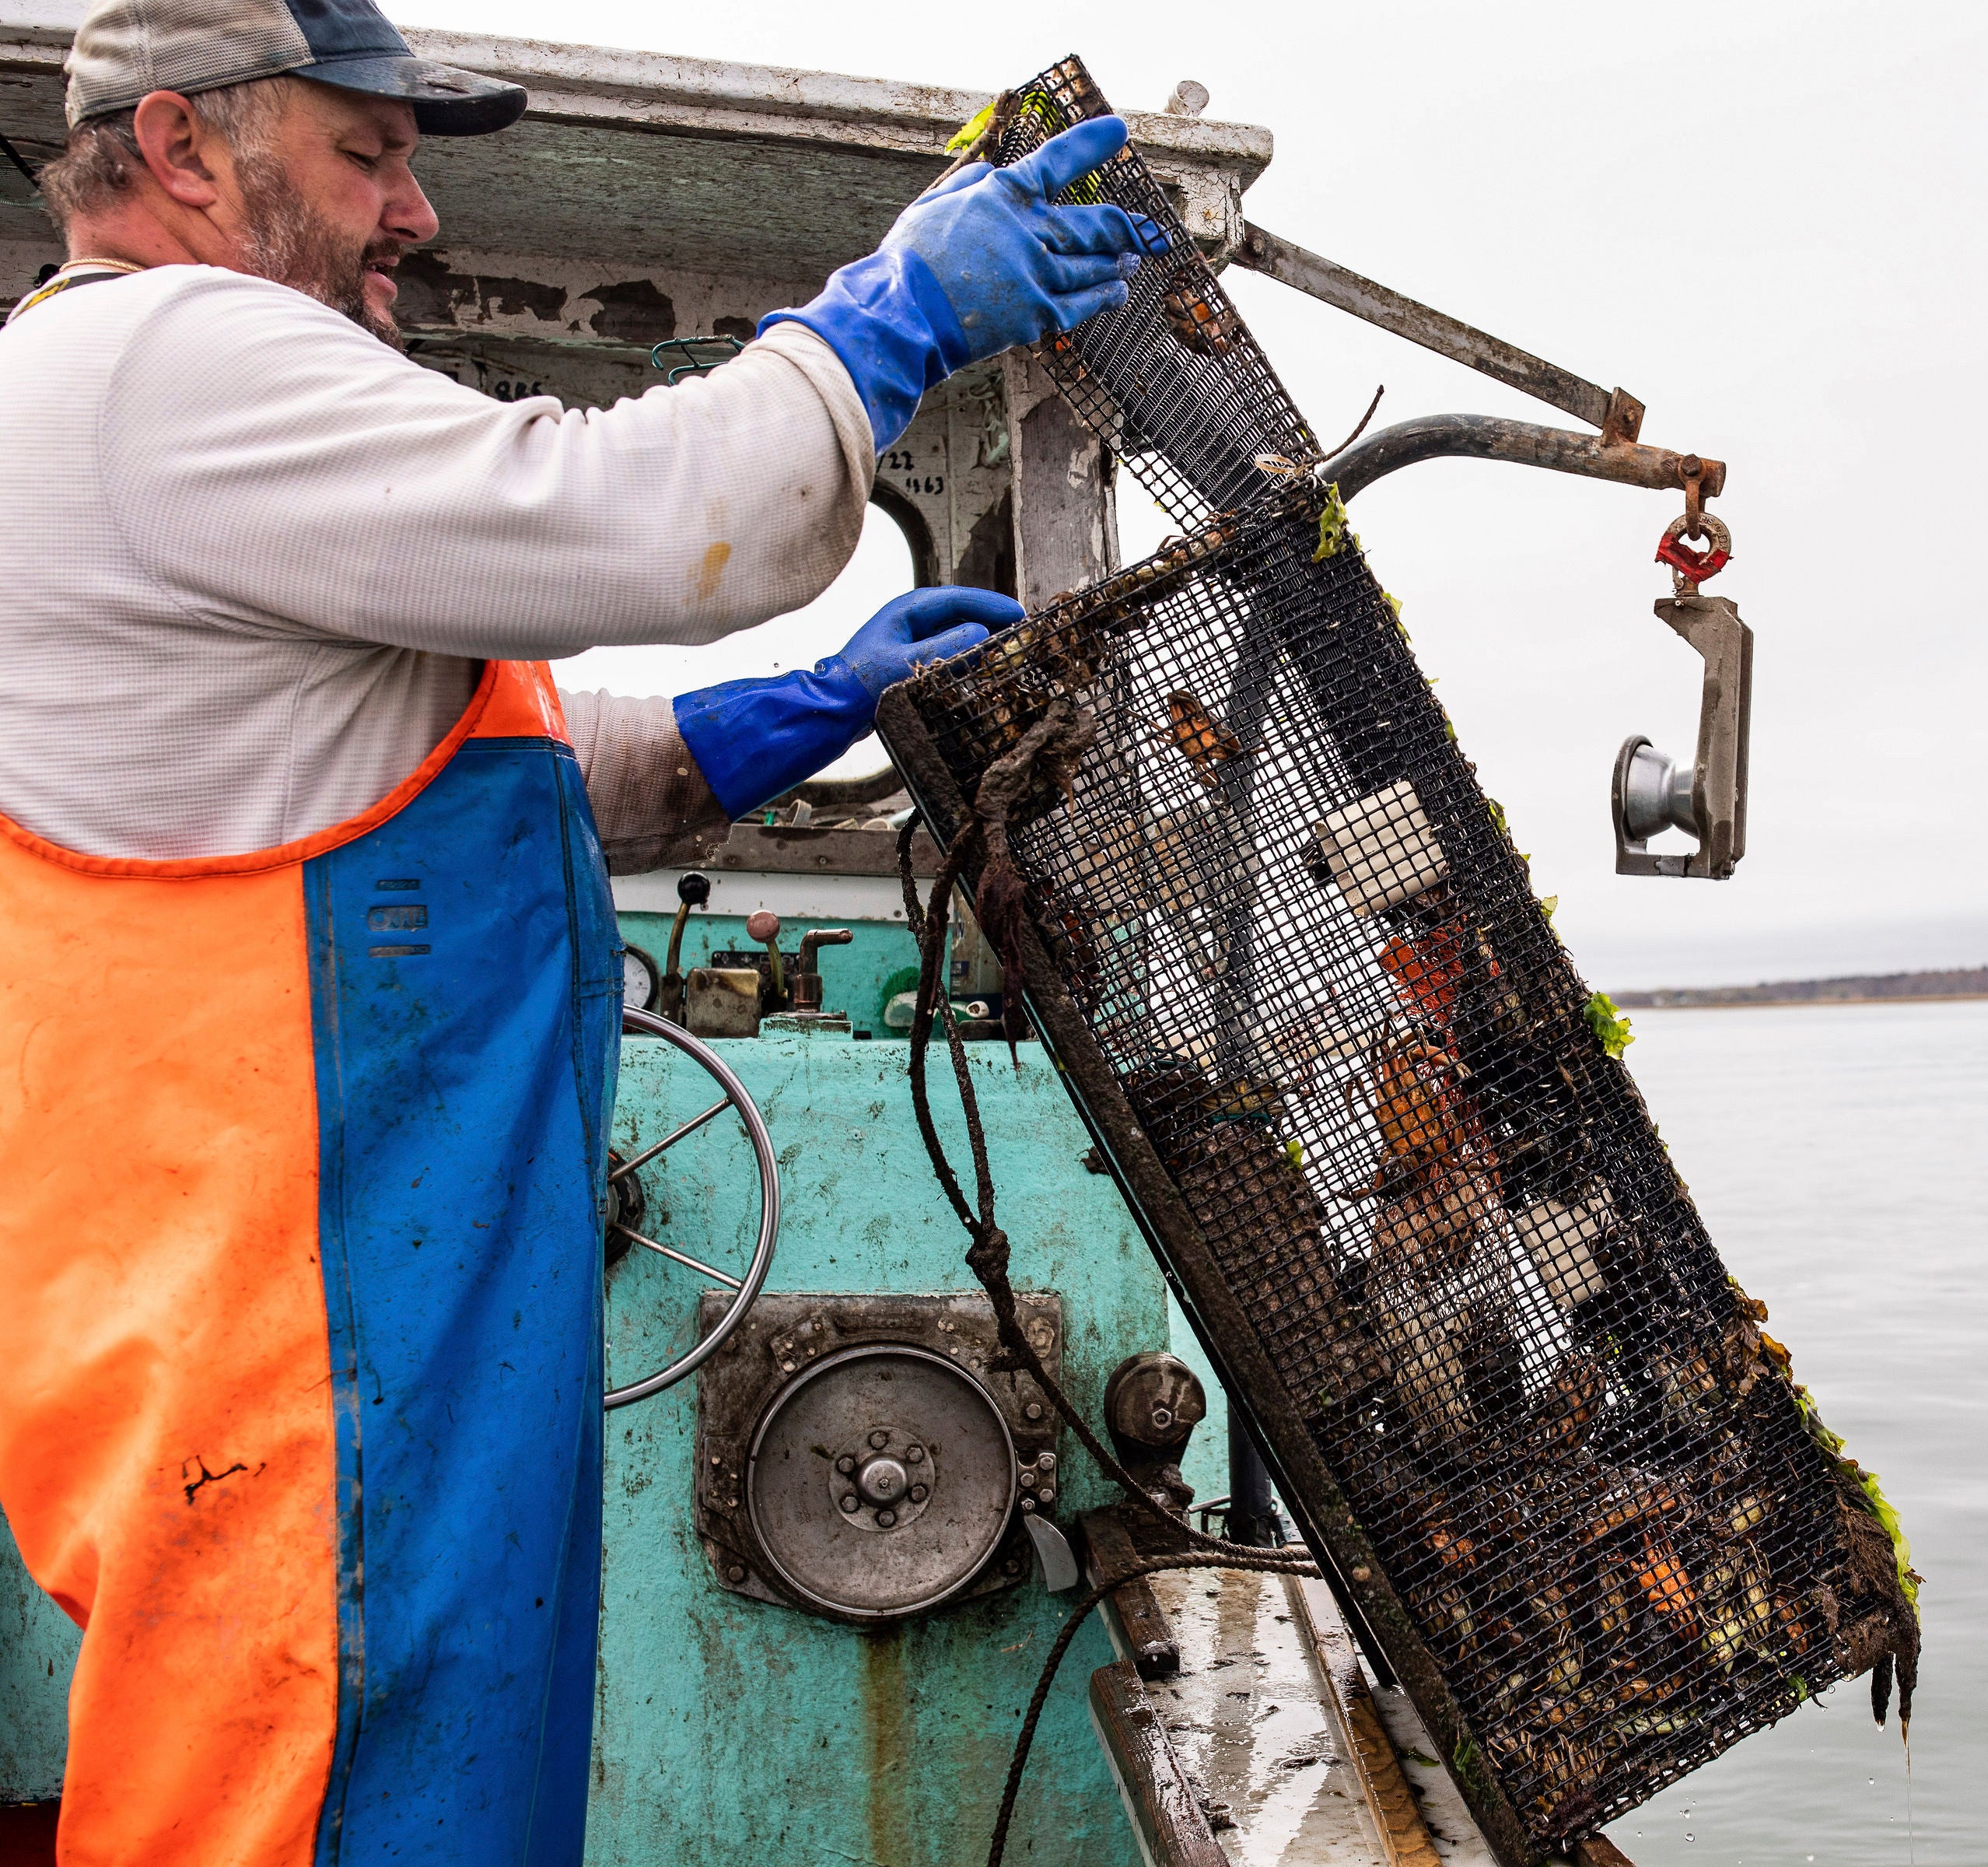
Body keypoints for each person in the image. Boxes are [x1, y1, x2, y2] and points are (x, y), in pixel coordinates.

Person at [0, 2, 1150, 1860]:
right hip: (305, 1367)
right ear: (187, 150)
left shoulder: (132, 415)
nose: (415, 216)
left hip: (323, 1345)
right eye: (364, 155)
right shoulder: (162, 356)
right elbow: (650, 519)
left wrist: (789, 713)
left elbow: (463, 766)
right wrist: (893, 314)